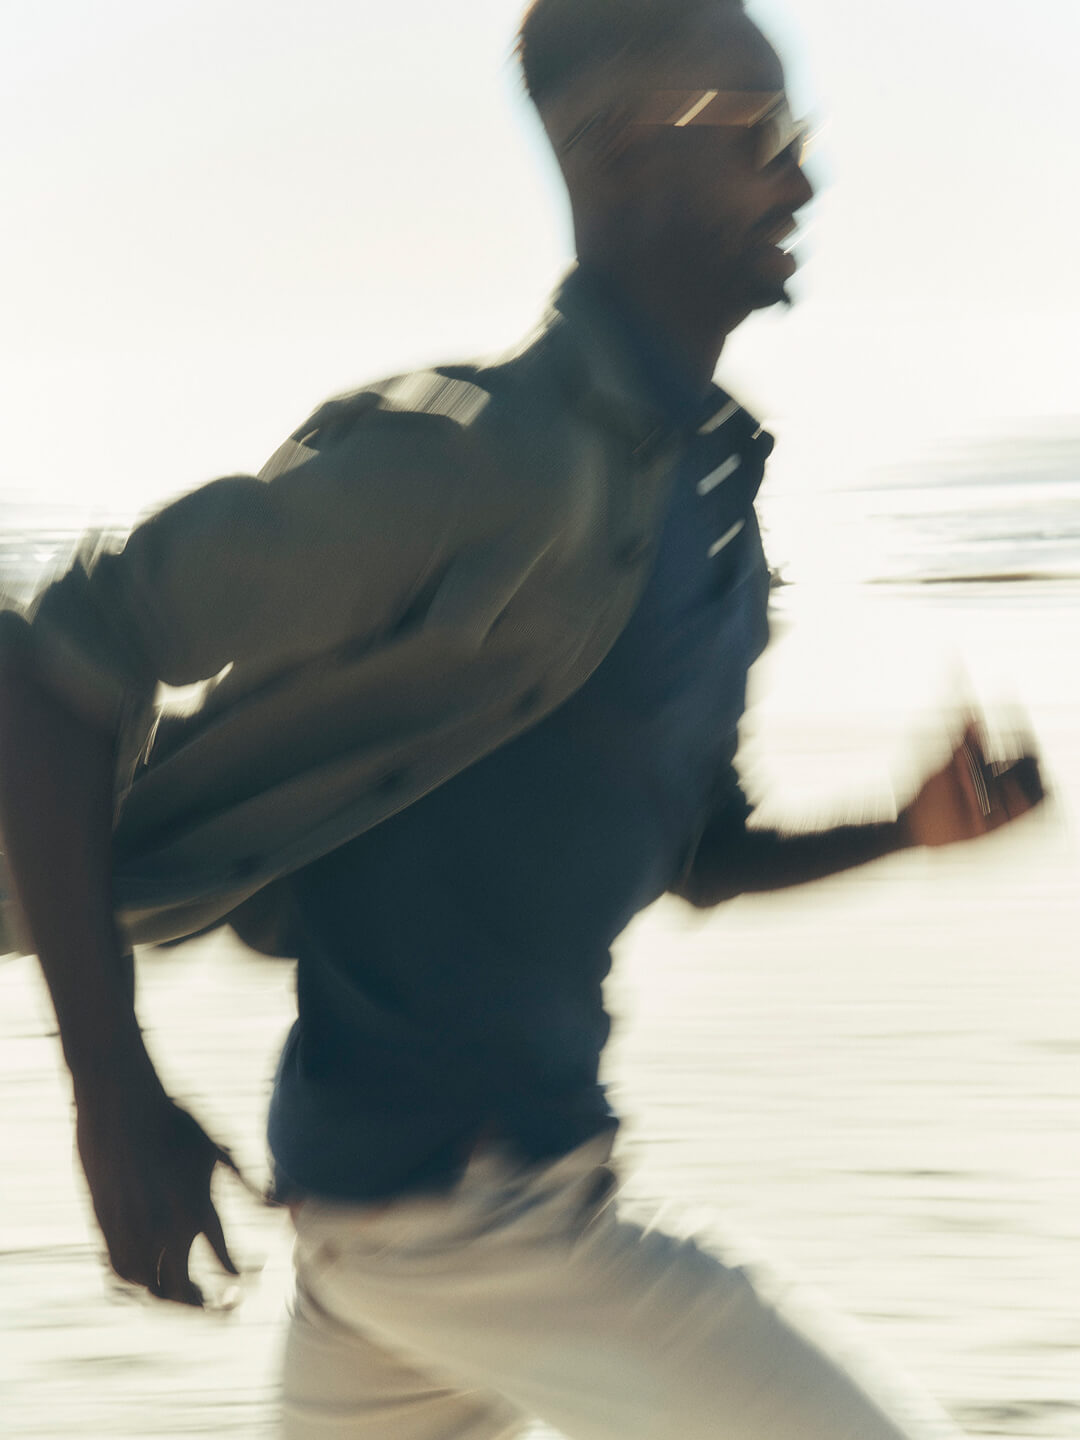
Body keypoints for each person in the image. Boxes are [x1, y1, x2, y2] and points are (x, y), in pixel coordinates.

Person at [0, 1, 1044, 1437]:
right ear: (616, 150)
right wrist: (110, 1095)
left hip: (409, 1241)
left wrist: (906, 829)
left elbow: (693, 856)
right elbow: (59, 662)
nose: (801, 175)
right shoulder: (468, 460)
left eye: (796, 131)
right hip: (468, 1221)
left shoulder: (715, 517)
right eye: (754, 131)